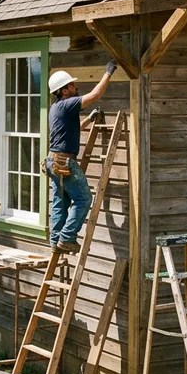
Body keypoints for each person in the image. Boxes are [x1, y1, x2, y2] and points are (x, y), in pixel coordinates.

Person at [46, 60, 117, 253]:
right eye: (72, 85)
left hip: (53, 161)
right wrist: (108, 73)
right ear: (64, 90)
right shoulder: (67, 104)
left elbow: (69, 132)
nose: (76, 87)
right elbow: (95, 95)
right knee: (84, 199)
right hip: (63, 161)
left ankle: (55, 241)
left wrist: (89, 119)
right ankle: (67, 238)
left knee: (61, 202)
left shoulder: (56, 108)